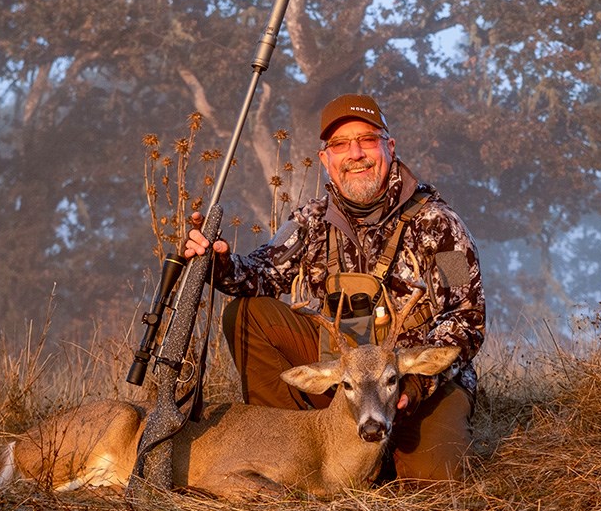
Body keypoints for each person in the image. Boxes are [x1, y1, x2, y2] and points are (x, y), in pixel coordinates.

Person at [184, 93, 485, 481]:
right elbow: (259, 275)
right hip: (343, 373)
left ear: (389, 148)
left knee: (435, 481)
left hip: (413, 381)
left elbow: (467, 316)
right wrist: (219, 260)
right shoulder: (311, 220)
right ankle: (293, 457)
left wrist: (415, 381)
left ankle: (385, 456)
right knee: (248, 314)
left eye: (367, 140)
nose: (355, 153)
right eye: (341, 145)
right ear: (326, 160)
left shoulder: (440, 224)